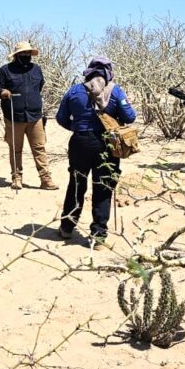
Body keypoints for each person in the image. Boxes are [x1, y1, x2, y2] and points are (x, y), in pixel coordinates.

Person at [55, 57, 136, 248]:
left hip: (79, 142)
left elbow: (61, 118)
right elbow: (130, 117)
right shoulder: (114, 90)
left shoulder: (75, 90)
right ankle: (98, 236)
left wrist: (78, 127)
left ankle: (67, 227)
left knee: (76, 184)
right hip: (106, 145)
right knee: (103, 187)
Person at [0, 41, 58, 190]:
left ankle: (46, 179)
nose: (26, 56)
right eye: (23, 53)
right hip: (14, 116)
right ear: (17, 55)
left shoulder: (36, 69)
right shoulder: (5, 70)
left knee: (39, 147)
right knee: (15, 148)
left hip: (35, 116)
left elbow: (40, 86)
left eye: (28, 53)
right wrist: (2, 92)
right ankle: (17, 178)